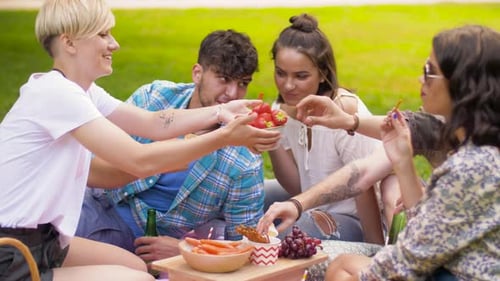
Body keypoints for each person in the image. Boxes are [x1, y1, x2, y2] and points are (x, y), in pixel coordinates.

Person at [0, 0, 280, 280]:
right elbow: (138, 160)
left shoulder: (83, 92)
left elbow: (154, 122)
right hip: (11, 250)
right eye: (103, 34)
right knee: (140, 279)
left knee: (133, 266)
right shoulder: (57, 95)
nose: (114, 44)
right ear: (69, 43)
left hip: (44, 240)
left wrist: (221, 111)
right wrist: (224, 137)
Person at [288, 25, 499, 281]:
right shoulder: (465, 142)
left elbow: (411, 259)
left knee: (341, 269)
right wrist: (401, 161)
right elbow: (425, 234)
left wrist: (362, 272)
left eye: (429, 72)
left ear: (461, 84)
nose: (421, 80)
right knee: (343, 265)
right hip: (436, 263)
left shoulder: (471, 168)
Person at [76, 29, 267, 262]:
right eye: (224, 79)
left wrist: (186, 250)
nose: (233, 93)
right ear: (198, 73)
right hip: (88, 197)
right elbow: (92, 152)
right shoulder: (155, 97)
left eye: (243, 83)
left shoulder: (244, 158)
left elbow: (246, 246)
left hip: (130, 236)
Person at [264, 13, 385, 244]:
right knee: (251, 196)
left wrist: (374, 251)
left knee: (291, 232)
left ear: (322, 74)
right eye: (280, 73)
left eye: (300, 76)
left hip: (354, 218)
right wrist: (273, 137)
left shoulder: (343, 110)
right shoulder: (282, 108)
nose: (287, 85)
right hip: (310, 203)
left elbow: (364, 184)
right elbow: (298, 185)